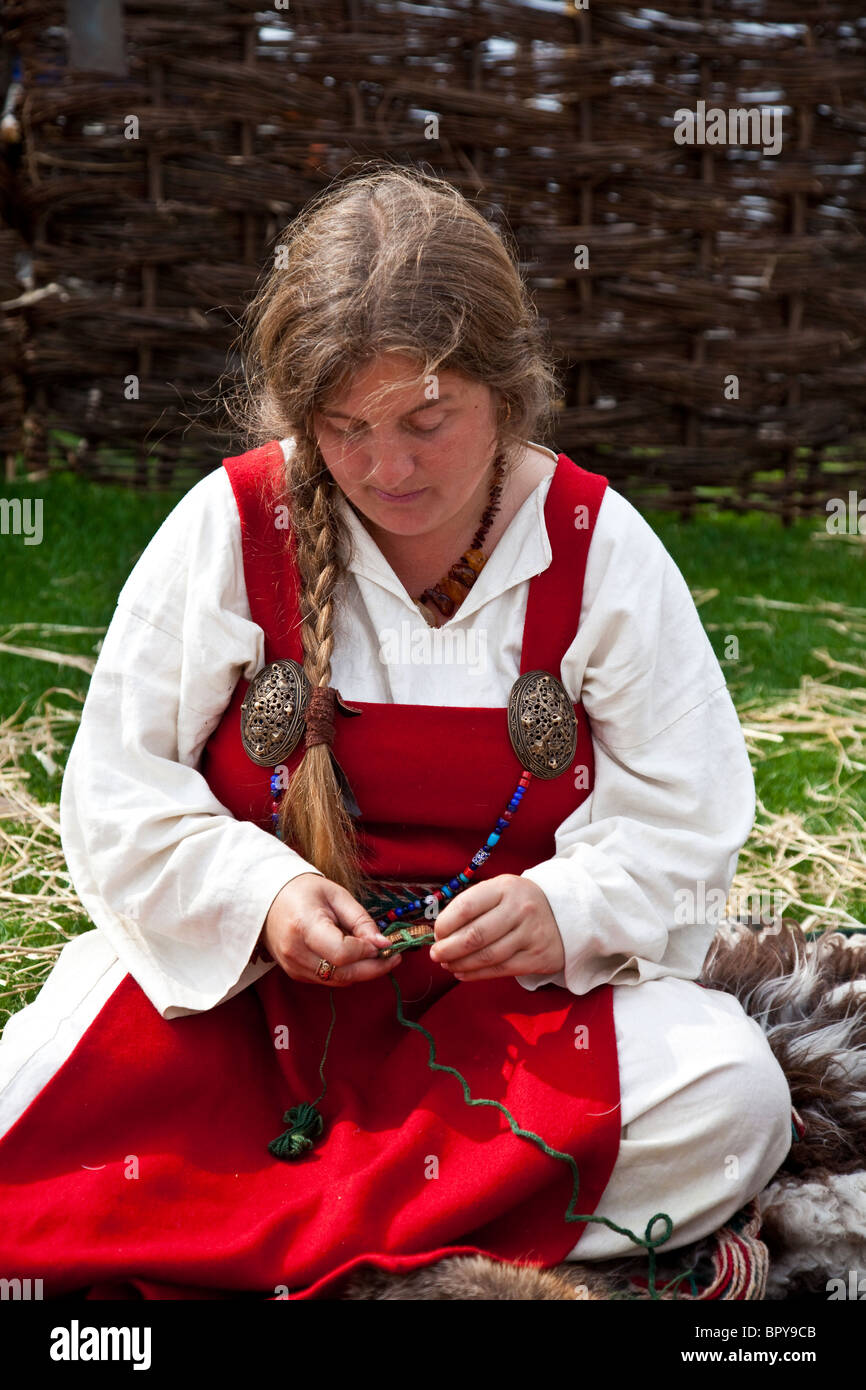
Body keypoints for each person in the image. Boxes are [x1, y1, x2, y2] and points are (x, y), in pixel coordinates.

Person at [0, 165, 792, 1299]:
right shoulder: (231, 526)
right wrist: (260, 898)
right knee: (23, 1089)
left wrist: (563, 908)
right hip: (246, 1005)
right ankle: (436, 1248)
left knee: (733, 1101)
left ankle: (222, 1234)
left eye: (429, 421)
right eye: (344, 428)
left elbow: (690, 811)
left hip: (510, 1020)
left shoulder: (592, 541)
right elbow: (116, 789)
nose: (387, 468)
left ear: (506, 392)